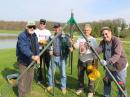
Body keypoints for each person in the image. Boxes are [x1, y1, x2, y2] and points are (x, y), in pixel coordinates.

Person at [96, 27, 128, 97]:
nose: (104, 36)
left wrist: (106, 62)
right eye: (103, 34)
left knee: (121, 86)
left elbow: (117, 55)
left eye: (106, 34)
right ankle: (106, 96)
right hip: (109, 67)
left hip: (119, 67)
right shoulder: (103, 42)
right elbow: (97, 50)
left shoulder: (116, 41)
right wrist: (90, 47)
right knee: (106, 81)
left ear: (110, 33)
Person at [47, 23, 72, 94]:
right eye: (55, 27)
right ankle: (50, 85)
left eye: (57, 27)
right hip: (53, 57)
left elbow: (69, 45)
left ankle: (63, 87)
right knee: (50, 73)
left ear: (60, 27)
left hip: (62, 58)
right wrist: (49, 50)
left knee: (63, 74)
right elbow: (48, 45)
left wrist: (70, 47)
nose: (56, 29)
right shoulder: (51, 37)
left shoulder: (65, 36)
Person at [73, 24, 98, 97]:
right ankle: (81, 88)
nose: (86, 31)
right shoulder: (80, 38)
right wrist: (73, 43)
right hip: (81, 60)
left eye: (87, 30)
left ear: (90, 31)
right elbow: (76, 46)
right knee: (80, 75)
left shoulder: (93, 39)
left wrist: (95, 63)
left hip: (89, 60)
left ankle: (90, 91)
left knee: (91, 76)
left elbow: (96, 51)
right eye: (84, 30)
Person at [16, 21, 40, 97]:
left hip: (32, 61)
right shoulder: (22, 36)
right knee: (22, 79)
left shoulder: (35, 35)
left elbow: (36, 47)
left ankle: (27, 91)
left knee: (30, 77)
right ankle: (22, 95)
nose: (32, 28)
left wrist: (38, 56)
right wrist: (32, 56)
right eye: (30, 27)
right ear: (26, 27)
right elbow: (23, 48)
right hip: (23, 61)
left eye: (33, 27)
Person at [35, 19, 51, 84]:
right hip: (38, 50)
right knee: (38, 64)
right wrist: (38, 42)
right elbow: (34, 40)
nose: (42, 25)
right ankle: (40, 78)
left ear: (45, 25)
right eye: (41, 23)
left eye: (43, 24)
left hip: (46, 49)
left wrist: (45, 42)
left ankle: (51, 78)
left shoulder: (48, 32)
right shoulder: (36, 31)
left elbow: (50, 40)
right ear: (39, 24)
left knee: (48, 64)